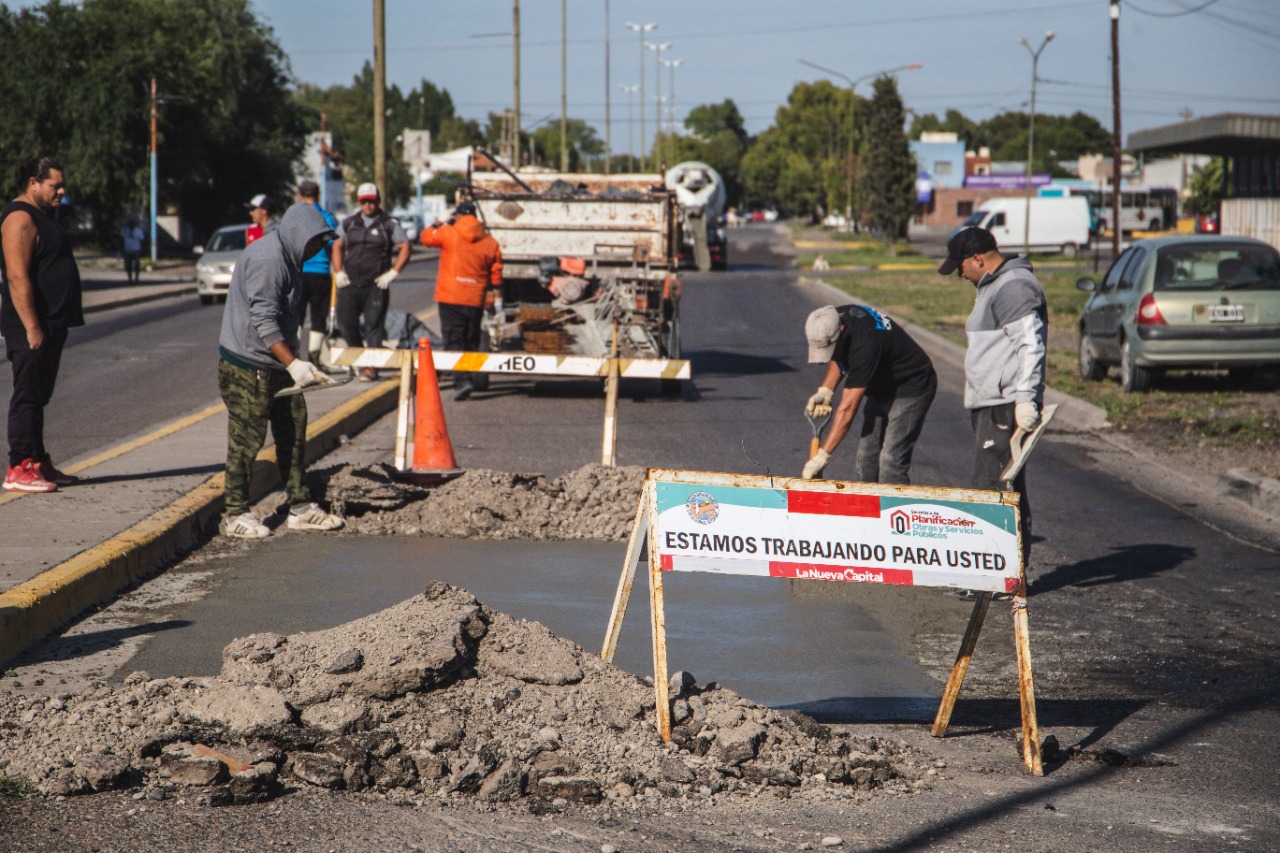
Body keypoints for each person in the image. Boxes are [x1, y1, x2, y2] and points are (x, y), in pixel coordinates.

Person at [217, 201, 344, 539]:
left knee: (293, 432)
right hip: (248, 367)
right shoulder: (270, 259)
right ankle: (234, 514)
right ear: (299, 234)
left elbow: (286, 317)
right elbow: (264, 321)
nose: (318, 248)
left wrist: (296, 361)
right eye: (315, 241)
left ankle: (300, 507)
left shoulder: (289, 256)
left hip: (274, 365)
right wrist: (295, 364)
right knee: (246, 440)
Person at [937, 225, 1047, 568]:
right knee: (1004, 487)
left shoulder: (1012, 286)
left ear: (978, 259)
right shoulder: (993, 284)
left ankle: (993, 575)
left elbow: (1031, 344)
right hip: (992, 402)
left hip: (1005, 406)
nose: (959, 274)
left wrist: (1025, 398)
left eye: (961, 266)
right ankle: (1004, 572)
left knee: (992, 490)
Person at [0, 156, 84, 493]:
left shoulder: (41, 217)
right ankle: (18, 466)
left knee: (40, 395)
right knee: (27, 395)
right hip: (31, 325)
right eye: (55, 185)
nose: (61, 191)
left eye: (62, 185)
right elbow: (17, 277)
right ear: (33, 183)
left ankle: (37, 461)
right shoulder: (19, 218)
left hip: (52, 322)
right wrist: (32, 326)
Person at [801, 304, 936, 484]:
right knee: (866, 458)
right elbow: (839, 353)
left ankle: (894, 508)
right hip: (881, 385)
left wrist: (823, 456)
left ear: (842, 330)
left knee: (891, 460)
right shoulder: (834, 317)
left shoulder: (865, 345)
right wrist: (826, 391)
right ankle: (870, 508)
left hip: (912, 384)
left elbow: (848, 408)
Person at [418, 200, 503, 400]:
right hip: (475, 297)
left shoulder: (449, 233)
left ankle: (461, 381)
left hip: (450, 296)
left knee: (453, 339)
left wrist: (439, 221)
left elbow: (425, 238)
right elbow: (496, 274)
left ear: (458, 216)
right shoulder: (490, 242)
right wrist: (497, 301)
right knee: (470, 339)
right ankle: (467, 376)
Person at [332, 182, 410, 381]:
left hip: (376, 284)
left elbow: (405, 246)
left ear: (378, 201)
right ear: (359, 202)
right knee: (346, 323)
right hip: (350, 282)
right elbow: (337, 245)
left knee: (374, 326)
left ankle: (371, 367)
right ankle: (360, 358)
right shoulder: (349, 223)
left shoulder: (388, 223)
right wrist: (338, 271)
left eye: (372, 201)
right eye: (364, 201)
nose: (368, 205)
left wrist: (393, 272)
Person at [295, 180, 338, 363]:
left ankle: (294, 357)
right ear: (318, 195)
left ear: (300, 195)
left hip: (299, 272)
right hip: (320, 273)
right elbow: (334, 244)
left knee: (296, 315)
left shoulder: (295, 217)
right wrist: (338, 270)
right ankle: (314, 358)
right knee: (318, 317)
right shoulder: (326, 217)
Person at [120, 218, 145, 284]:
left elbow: (142, 239)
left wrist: (142, 249)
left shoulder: (138, 231)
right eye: (129, 225)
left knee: (137, 265)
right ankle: (130, 279)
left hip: (136, 249)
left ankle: (136, 278)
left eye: (132, 225)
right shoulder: (125, 230)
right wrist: (121, 248)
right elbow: (121, 239)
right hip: (127, 250)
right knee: (128, 265)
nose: (130, 226)